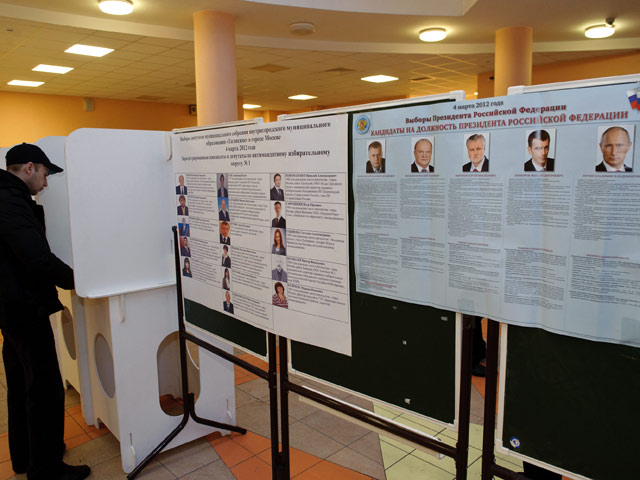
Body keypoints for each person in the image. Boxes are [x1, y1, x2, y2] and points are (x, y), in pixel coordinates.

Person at [0, 143, 91, 480]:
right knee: (44, 388)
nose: (46, 181)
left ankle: (26, 456)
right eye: (45, 173)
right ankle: (47, 469)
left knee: (21, 382)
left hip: (11, 308)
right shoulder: (11, 202)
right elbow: (36, 257)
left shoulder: (7, 197)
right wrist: (78, 280)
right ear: (29, 168)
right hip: (24, 309)